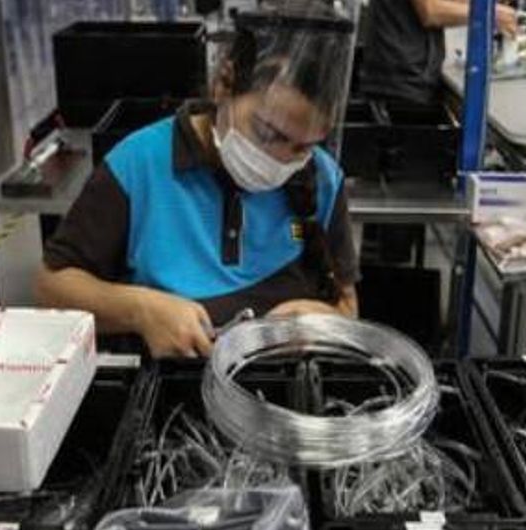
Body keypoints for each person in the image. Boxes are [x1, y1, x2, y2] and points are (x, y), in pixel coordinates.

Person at [34, 2, 359, 358]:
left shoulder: (322, 178)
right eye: (269, 134)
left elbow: (347, 306)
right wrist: (141, 310)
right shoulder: (139, 165)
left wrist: (324, 322)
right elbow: (52, 286)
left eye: (304, 146)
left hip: (283, 380)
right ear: (224, 84)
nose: (282, 161)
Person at [362, 0, 517, 107]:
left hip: (411, 75)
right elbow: (431, 12)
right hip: (399, 81)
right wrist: (489, 13)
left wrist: (487, 5)